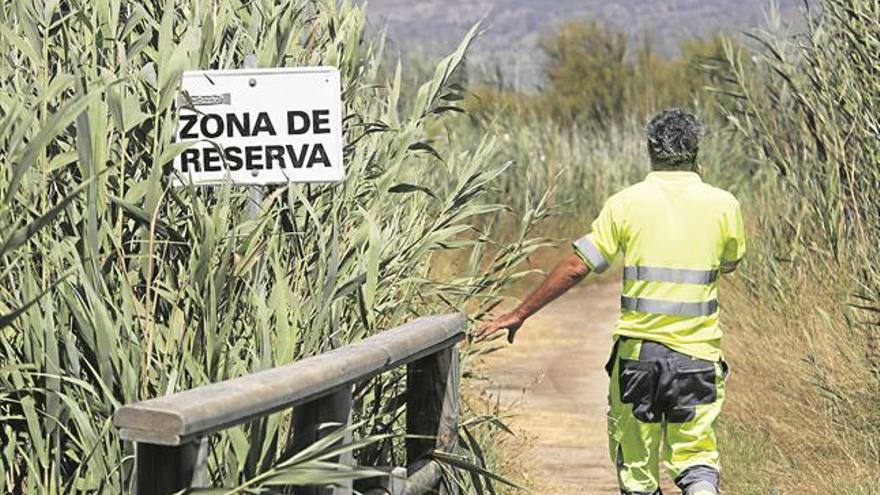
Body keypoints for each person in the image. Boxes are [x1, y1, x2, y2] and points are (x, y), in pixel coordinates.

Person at [476, 108, 745, 495]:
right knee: (697, 461)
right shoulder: (723, 204)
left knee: (637, 471)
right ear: (695, 151)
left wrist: (520, 313)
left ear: (650, 149)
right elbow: (730, 262)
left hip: (638, 359)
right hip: (698, 357)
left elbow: (575, 267)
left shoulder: (626, 202)